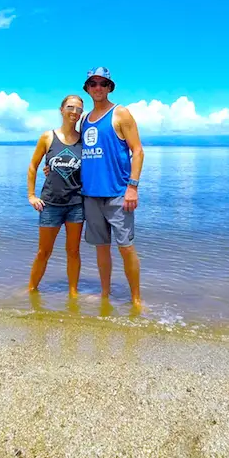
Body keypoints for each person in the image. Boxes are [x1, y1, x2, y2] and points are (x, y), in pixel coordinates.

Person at [79, 67, 144, 308]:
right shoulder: (85, 119)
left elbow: (137, 151)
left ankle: (136, 299)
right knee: (101, 248)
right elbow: (77, 151)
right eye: (93, 83)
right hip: (91, 195)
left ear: (109, 87)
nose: (98, 88)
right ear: (87, 88)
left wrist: (133, 187)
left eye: (102, 84)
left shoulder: (120, 113)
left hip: (118, 194)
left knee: (126, 247)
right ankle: (105, 294)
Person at [26, 94, 85, 297]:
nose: (74, 112)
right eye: (70, 107)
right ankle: (31, 290)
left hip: (76, 204)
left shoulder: (84, 140)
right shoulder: (47, 137)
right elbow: (33, 166)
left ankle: (73, 293)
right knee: (44, 252)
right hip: (50, 204)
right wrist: (32, 195)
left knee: (73, 252)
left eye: (79, 109)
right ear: (61, 110)